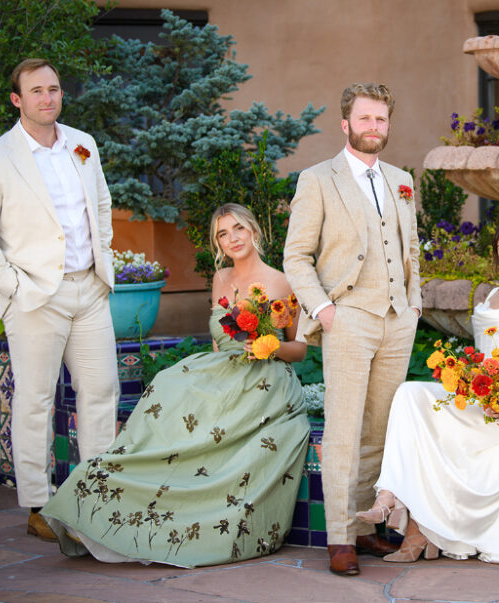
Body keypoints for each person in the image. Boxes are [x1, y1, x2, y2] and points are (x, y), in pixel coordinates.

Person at [41, 204, 311, 566]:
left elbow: (301, 349)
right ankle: (107, 501)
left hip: (266, 380)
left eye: (238, 229)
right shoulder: (220, 279)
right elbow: (218, 342)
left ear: (254, 232)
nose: (232, 239)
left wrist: (272, 345)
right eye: (222, 234)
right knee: (169, 387)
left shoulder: (283, 281)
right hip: (222, 372)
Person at [0, 58, 120, 541]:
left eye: (53, 89)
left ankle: (94, 497)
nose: (47, 98)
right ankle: (36, 505)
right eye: (36, 91)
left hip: (89, 289)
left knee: (101, 393)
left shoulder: (82, 144)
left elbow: (102, 205)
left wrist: (103, 262)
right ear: (17, 99)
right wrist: (15, 286)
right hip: (34, 296)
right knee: (34, 401)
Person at [357, 216, 499, 564]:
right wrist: (465, 377)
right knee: (410, 393)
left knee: (427, 421)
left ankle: (415, 528)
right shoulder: (493, 294)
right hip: (478, 397)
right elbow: (480, 356)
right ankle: (388, 495)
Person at [283, 83, 422, 576]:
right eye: (365, 119)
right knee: (343, 431)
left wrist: (414, 304)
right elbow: (296, 256)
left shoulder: (402, 179)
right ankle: (339, 536)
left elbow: (411, 249)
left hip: (396, 319)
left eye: (381, 120)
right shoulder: (318, 179)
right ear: (345, 124)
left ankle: (365, 527)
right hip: (347, 317)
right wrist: (323, 310)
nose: (373, 128)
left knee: (380, 429)